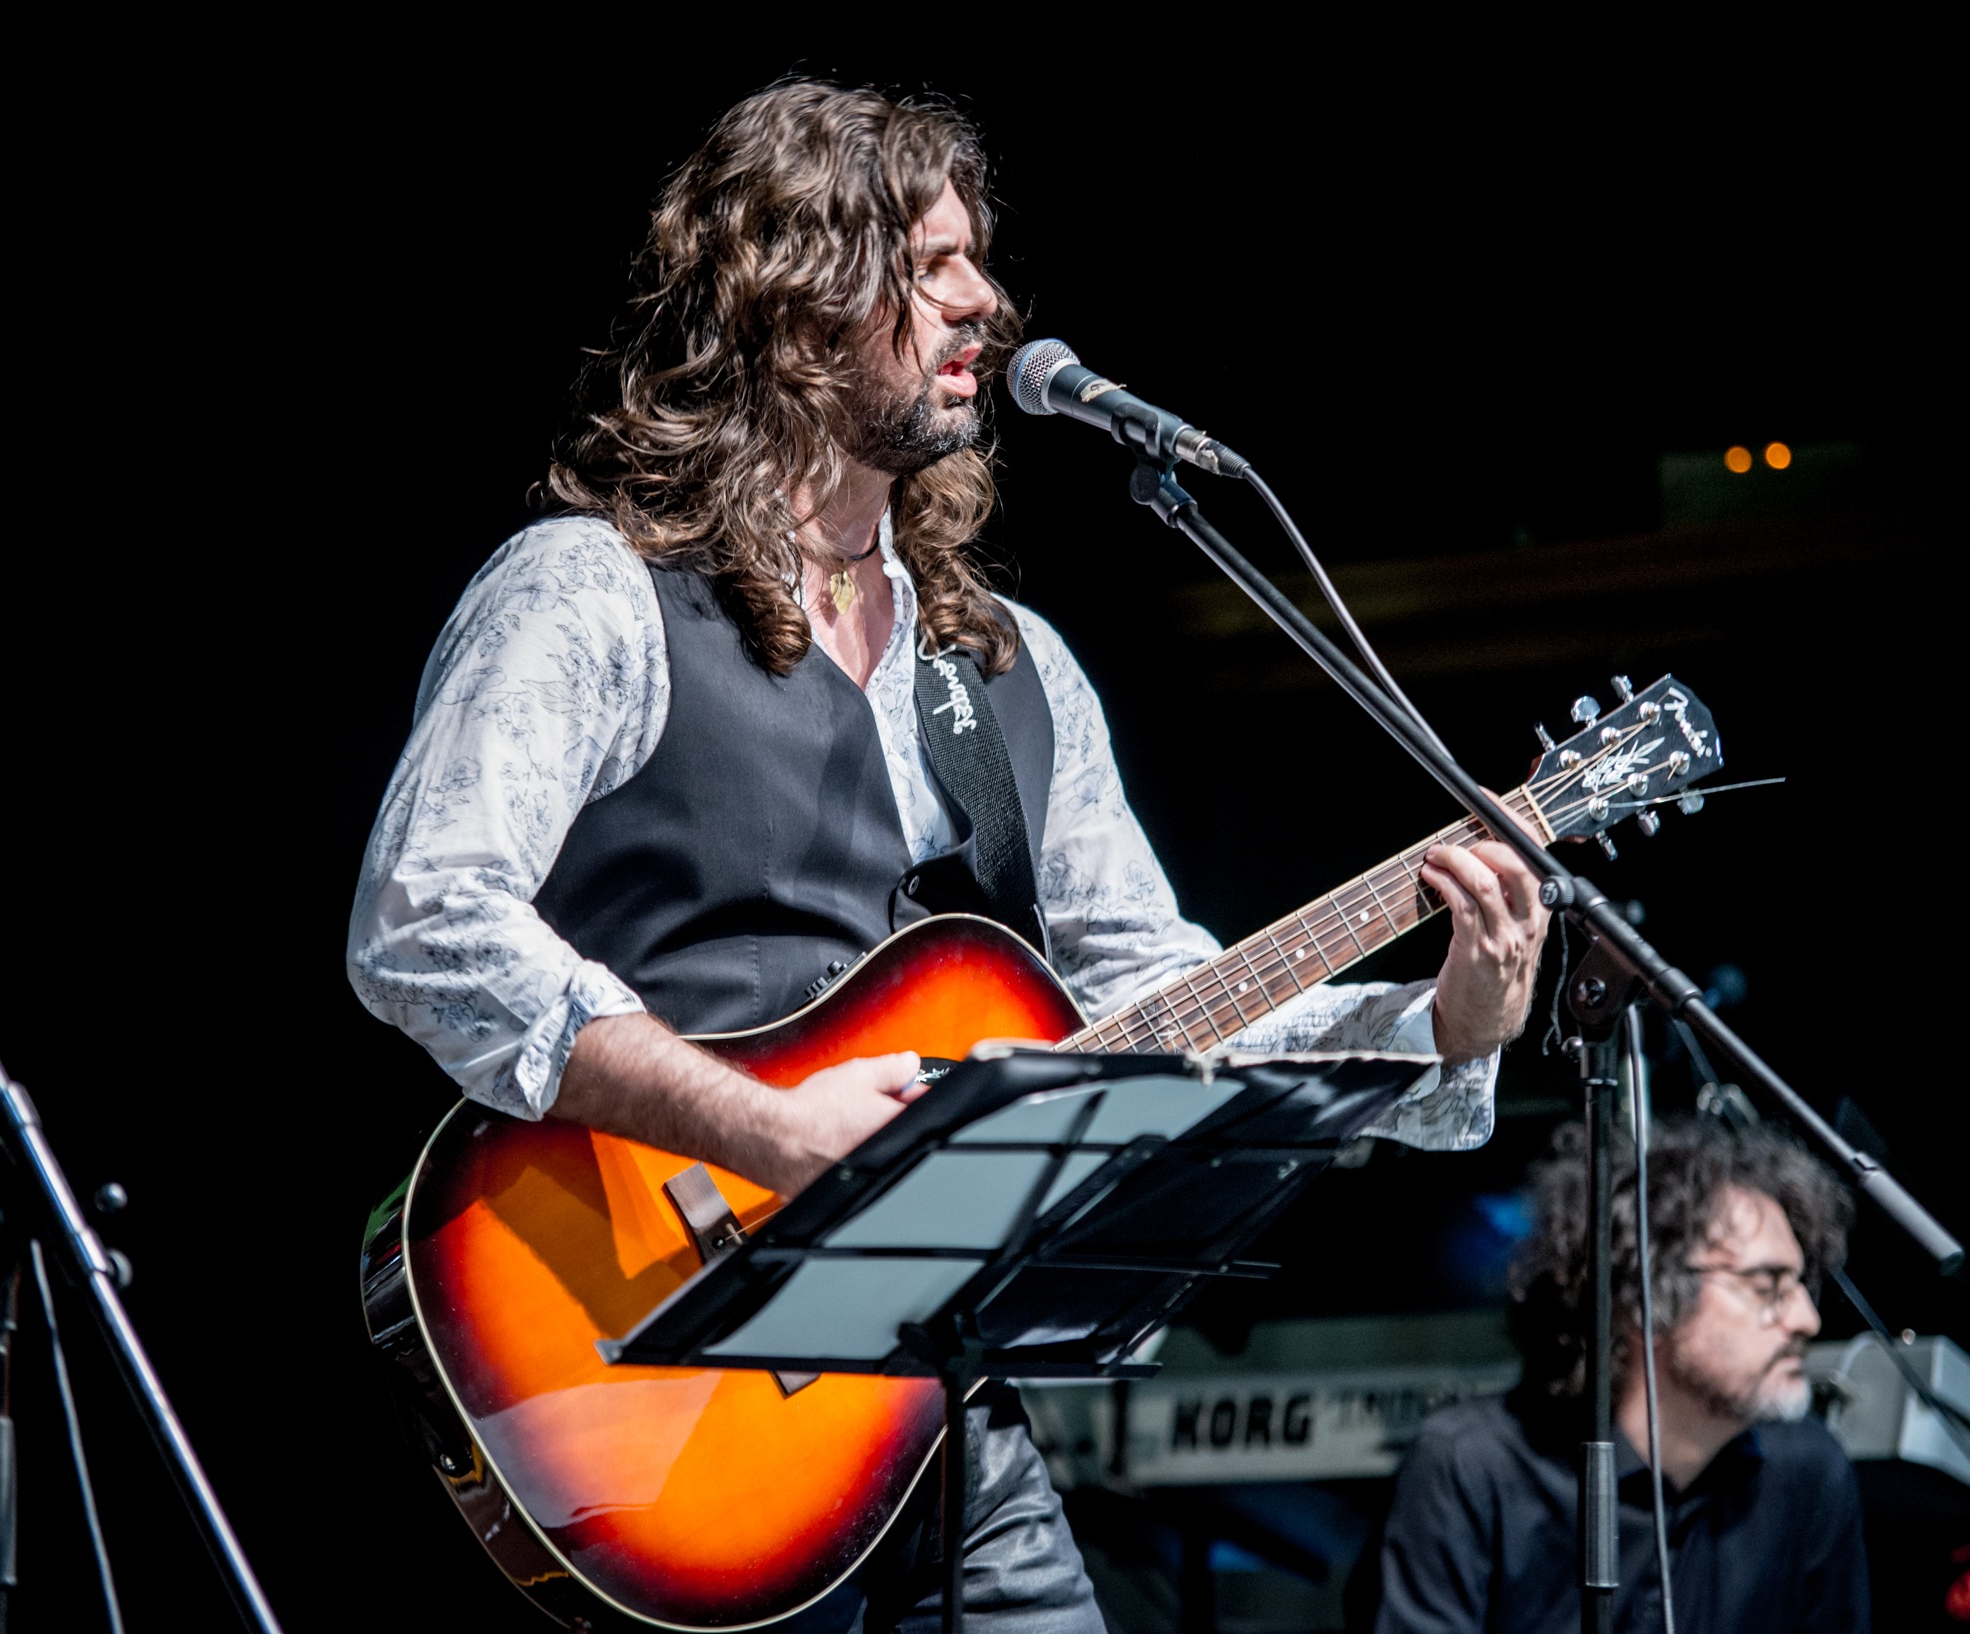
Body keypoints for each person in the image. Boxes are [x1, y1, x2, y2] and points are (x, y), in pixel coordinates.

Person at [345, 80, 1550, 1634]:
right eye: (928, 266)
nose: (983, 298)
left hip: (946, 1410)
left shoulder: (1010, 666)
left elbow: (1152, 1000)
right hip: (674, 1401)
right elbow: (425, 920)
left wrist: (1434, 1023)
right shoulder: (590, 594)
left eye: (976, 259)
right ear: (792, 303)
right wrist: (760, 1123)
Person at [1375, 1119, 1867, 1634]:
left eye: (1801, 1285)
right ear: (1646, 1297)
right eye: (1767, 1286)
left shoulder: (1808, 1474)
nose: (1806, 1319)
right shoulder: (1472, 1467)